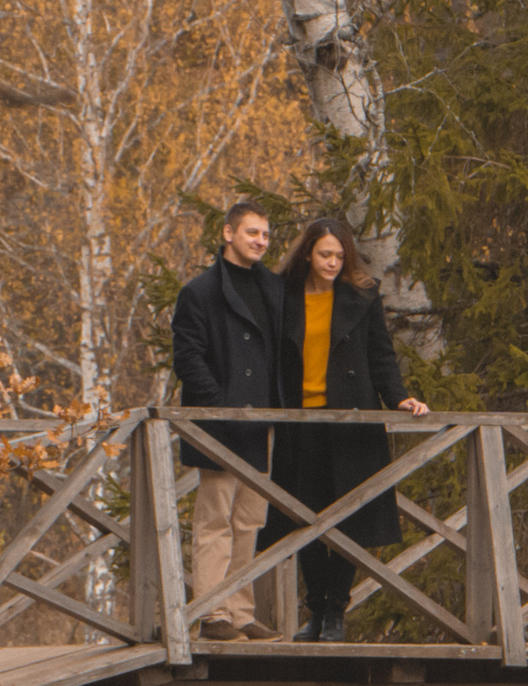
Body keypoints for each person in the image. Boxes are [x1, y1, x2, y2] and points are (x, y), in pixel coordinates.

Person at [263, 216, 429, 642]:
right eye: (325, 254)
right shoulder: (282, 295)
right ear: (307, 253)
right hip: (299, 423)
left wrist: (398, 398)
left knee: (349, 519)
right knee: (305, 518)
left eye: (340, 255)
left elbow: (381, 354)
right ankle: (316, 610)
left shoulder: (362, 295)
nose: (333, 263)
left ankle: (336, 611)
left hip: (351, 421)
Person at [168, 201, 290, 640]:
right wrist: (219, 405)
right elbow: (188, 357)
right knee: (215, 520)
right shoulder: (200, 291)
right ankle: (212, 613)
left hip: (262, 422)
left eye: (266, 235)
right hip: (219, 423)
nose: (260, 241)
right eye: (252, 232)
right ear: (228, 233)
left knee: (249, 522)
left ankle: (240, 613)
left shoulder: (273, 288)